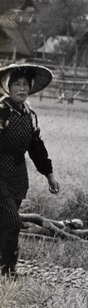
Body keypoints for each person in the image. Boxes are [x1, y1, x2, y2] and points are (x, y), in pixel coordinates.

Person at [0, 64, 60, 277]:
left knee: (5, 223)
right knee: (12, 221)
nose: (22, 89)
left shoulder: (30, 115)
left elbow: (37, 149)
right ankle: (7, 269)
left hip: (17, 174)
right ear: (7, 87)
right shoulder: (2, 111)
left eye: (25, 84)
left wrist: (49, 175)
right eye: (16, 84)